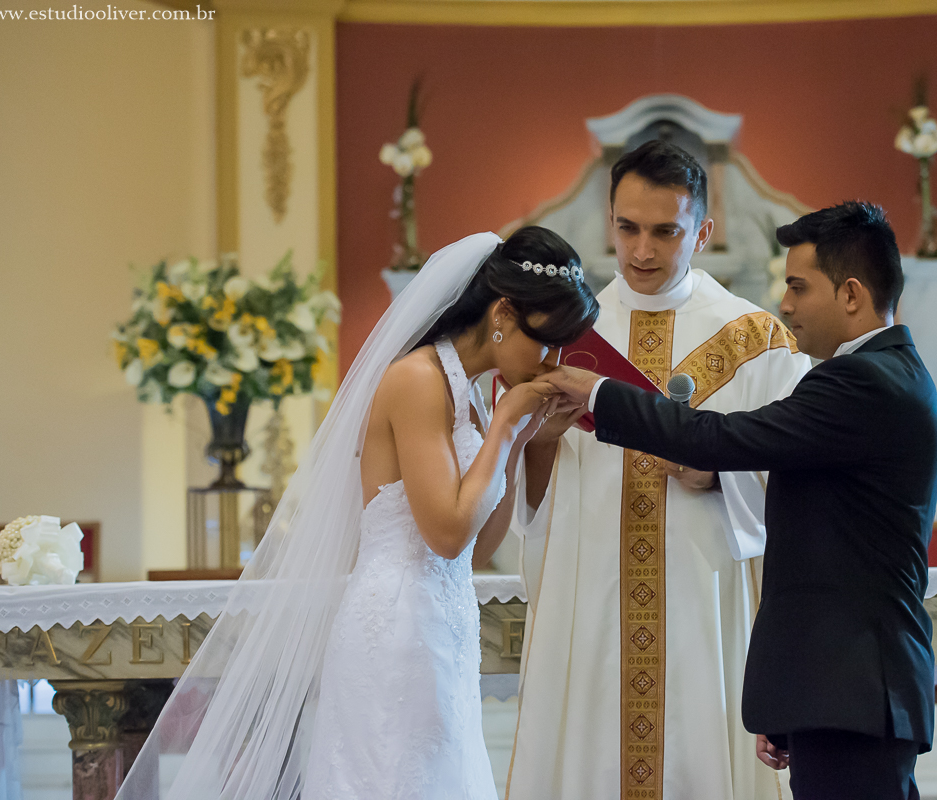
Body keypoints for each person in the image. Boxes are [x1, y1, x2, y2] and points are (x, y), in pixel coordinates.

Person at [115, 227, 598, 800]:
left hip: (444, 620)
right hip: (395, 625)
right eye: (546, 340)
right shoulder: (418, 379)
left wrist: (519, 440)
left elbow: (479, 545)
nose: (552, 361)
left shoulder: (471, 391)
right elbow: (445, 533)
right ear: (502, 313)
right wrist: (502, 426)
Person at [543, 201, 937, 800]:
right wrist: (790, 702)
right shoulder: (885, 375)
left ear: (852, 294)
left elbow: (723, 436)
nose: (785, 305)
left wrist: (598, 391)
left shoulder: (864, 381)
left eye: (799, 286)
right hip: (837, 691)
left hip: (854, 690)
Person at [505, 140, 810, 800]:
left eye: (665, 232)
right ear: (609, 220)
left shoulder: (755, 340)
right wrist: (540, 443)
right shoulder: (564, 334)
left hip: (704, 599)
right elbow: (523, 501)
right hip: (589, 599)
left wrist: (723, 475)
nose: (642, 252)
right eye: (628, 228)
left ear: (702, 230)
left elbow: (802, 477)